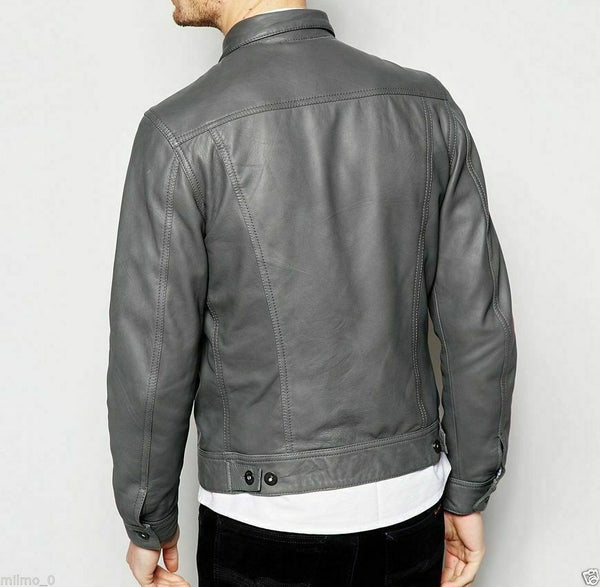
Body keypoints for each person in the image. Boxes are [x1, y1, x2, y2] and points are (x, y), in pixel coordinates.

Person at [106, 2, 518, 586]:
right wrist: (469, 488)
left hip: (263, 517)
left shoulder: (180, 133)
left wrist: (148, 521)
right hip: (409, 505)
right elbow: (479, 324)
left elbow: (151, 361)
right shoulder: (427, 107)